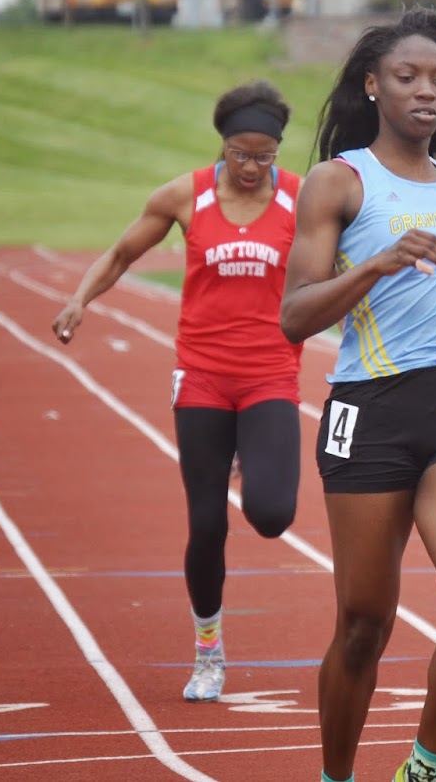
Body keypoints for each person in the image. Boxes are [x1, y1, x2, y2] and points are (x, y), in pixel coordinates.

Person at [280, 7, 436, 782]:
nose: (427, 92)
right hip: (370, 410)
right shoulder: (340, 180)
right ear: (372, 86)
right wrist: (374, 265)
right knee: (363, 626)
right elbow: (295, 315)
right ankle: (336, 777)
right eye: (408, 77)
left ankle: (422, 768)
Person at [50, 80, 305, 704]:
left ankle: (252, 449)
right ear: (222, 145)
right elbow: (120, 253)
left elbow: (348, 261)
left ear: (277, 151)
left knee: (272, 515)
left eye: (263, 156)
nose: (251, 167)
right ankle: (209, 649)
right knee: (206, 522)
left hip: (271, 370)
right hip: (203, 375)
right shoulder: (185, 196)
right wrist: (80, 299)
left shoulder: (301, 200)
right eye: (240, 154)